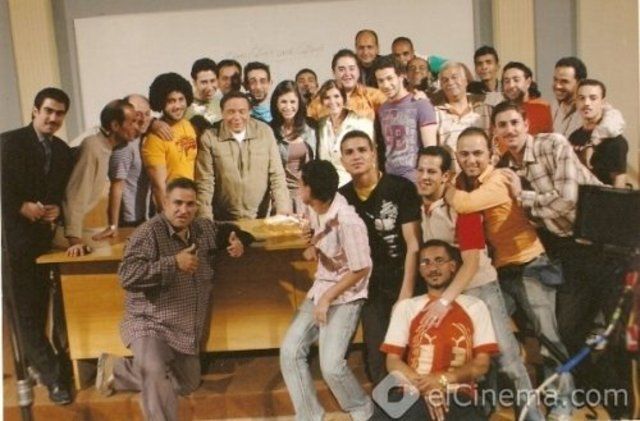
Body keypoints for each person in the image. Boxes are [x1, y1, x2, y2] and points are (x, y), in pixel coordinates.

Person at [447, 126, 575, 418]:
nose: (471, 160)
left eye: (477, 153)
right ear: (456, 155)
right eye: (464, 154)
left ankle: (563, 403)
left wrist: (444, 186)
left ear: (491, 153)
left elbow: (465, 205)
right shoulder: (465, 181)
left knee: (548, 338)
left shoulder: (498, 179)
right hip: (501, 271)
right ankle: (490, 402)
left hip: (530, 265)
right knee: (487, 337)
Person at [95, 177, 247, 421]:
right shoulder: (147, 233)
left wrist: (238, 240)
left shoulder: (202, 228)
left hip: (183, 331)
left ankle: (117, 370)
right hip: (149, 323)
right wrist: (173, 263)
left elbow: (230, 229)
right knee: (155, 374)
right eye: (177, 203)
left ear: (196, 206)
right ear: (165, 203)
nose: (183, 210)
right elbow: (127, 276)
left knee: (188, 383)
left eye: (190, 204)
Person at [416, 146, 544, 420]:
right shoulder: (421, 207)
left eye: (432, 171)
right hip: (453, 294)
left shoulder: (464, 210)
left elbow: (471, 262)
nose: (424, 176)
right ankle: (485, 411)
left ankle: (533, 417)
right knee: (475, 361)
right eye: (421, 170)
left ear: (446, 176)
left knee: (507, 359)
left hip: (479, 289)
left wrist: (443, 302)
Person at [493, 101, 618, 363]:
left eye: (515, 122)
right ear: (495, 131)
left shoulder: (553, 144)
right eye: (502, 125)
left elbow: (567, 200)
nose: (510, 130)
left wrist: (521, 196)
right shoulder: (504, 168)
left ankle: (623, 387)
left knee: (618, 328)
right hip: (570, 248)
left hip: (606, 240)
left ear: (526, 124)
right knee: (568, 328)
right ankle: (589, 381)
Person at [280, 160, 373, 421]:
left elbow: (361, 268)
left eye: (301, 184)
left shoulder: (348, 221)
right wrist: (314, 246)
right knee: (290, 352)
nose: (298, 188)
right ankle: (309, 416)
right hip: (322, 287)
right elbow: (325, 241)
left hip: (347, 295)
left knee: (331, 366)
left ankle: (362, 409)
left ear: (311, 189)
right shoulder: (314, 208)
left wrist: (327, 299)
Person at [1, 87, 75, 404]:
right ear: (35, 110)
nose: (53, 118)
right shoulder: (9, 142)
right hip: (12, 243)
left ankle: (42, 367)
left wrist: (57, 210)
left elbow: (60, 192)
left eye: (59, 113)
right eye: (48, 111)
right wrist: (20, 206)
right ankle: (54, 378)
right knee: (24, 316)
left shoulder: (62, 150)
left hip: (42, 243)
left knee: (39, 310)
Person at [373, 240, 499, 421]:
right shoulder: (407, 307)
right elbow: (392, 361)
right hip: (411, 390)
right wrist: (426, 387)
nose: (432, 268)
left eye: (439, 260)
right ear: (420, 270)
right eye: (425, 262)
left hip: (456, 392)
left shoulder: (475, 306)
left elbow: (481, 364)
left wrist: (441, 380)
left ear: (453, 266)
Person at [338, 130, 421, 385]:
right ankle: (389, 406)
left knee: (415, 353)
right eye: (349, 152)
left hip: (406, 279)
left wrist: (405, 295)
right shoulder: (342, 198)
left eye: (362, 150)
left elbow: (413, 244)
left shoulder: (400, 187)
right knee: (378, 359)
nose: (356, 156)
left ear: (374, 153)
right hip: (370, 288)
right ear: (342, 160)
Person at [195, 91, 291, 220]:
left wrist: (283, 211)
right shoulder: (209, 137)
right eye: (231, 112)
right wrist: (205, 220)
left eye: (242, 111)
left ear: (250, 112)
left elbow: (277, 175)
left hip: (260, 218)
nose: (237, 117)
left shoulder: (265, 132)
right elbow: (205, 183)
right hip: (223, 220)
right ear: (222, 113)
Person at [64, 99, 139, 257]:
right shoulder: (93, 147)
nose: (136, 127)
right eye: (132, 122)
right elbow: (75, 195)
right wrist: (74, 240)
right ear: (115, 126)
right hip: (60, 229)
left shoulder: (106, 147)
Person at [93, 94, 153, 242]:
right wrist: (113, 225)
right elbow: (116, 187)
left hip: (145, 216)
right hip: (129, 220)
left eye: (147, 114)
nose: (143, 119)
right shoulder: (124, 147)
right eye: (138, 115)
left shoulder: (143, 139)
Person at [373, 56, 437, 182]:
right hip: (390, 179)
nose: (386, 85)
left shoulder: (421, 104)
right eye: (380, 81)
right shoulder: (382, 109)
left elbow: (431, 151)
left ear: (401, 76)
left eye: (390, 78)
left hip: (415, 180)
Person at [142, 72, 197, 212]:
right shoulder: (155, 138)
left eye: (181, 99)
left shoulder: (188, 126)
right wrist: (169, 218)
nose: (177, 106)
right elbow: (159, 187)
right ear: (161, 102)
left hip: (189, 205)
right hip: (171, 210)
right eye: (171, 101)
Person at [569, 79, 628, 187]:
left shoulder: (615, 142)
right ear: (576, 102)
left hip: (602, 195)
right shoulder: (574, 136)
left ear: (603, 102)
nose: (586, 103)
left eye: (593, 98)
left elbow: (619, 186)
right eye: (581, 98)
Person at [551, 57, 625, 142]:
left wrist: (592, 143)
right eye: (555, 80)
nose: (557, 86)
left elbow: (615, 125)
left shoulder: (596, 109)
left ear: (580, 83)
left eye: (564, 81)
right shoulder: (553, 106)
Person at [315, 80, 374, 186]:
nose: (332, 101)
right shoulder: (320, 125)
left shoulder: (362, 123)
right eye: (327, 98)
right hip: (327, 188)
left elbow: (371, 161)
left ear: (344, 98)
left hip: (355, 187)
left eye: (336, 96)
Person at [270, 80, 317, 212]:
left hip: (306, 194)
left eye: (292, 102)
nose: (288, 106)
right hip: (279, 195)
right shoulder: (269, 130)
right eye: (283, 102)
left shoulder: (311, 128)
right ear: (276, 104)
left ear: (299, 103)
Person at [433, 61, 493, 163]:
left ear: (465, 81)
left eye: (454, 77)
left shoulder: (486, 109)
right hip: (451, 171)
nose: (450, 82)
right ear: (441, 86)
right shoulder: (435, 114)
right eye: (445, 80)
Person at [307, 49, 386, 121]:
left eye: (351, 68)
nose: (347, 74)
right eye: (341, 69)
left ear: (359, 71)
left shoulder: (373, 95)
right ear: (333, 72)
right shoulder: (319, 101)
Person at [500, 62, 552, 139]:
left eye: (516, 80)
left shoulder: (543, 107)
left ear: (528, 82)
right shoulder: (500, 110)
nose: (511, 85)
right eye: (507, 81)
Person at [185, 57, 222, 124]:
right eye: (204, 82)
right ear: (194, 83)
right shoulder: (184, 106)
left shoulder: (222, 104)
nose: (209, 87)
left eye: (212, 81)